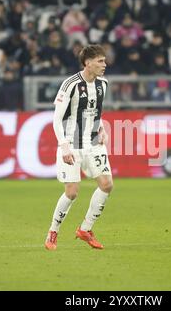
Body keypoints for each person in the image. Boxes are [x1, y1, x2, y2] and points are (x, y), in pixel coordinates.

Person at [45, 44, 113, 251]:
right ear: (88, 63)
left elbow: (94, 112)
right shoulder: (70, 84)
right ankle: (53, 231)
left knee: (107, 185)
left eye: (104, 60)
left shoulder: (103, 84)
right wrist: (64, 146)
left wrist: (101, 129)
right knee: (72, 192)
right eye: (100, 61)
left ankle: (86, 229)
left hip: (93, 143)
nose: (105, 65)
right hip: (71, 145)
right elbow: (57, 118)